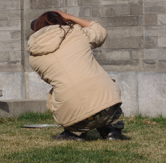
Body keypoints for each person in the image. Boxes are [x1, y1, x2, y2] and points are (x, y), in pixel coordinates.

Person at [28, 11, 126, 141]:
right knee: (99, 82)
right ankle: (111, 130)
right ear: (61, 21)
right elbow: (100, 30)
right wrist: (70, 17)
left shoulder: (34, 57)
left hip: (74, 115)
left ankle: (73, 132)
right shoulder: (76, 32)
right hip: (108, 108)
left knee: (58, 91)